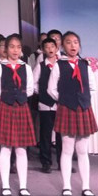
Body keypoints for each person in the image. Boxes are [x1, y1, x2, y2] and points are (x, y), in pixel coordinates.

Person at [48, 31, 98, 196]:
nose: (73, 45)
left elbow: (92, 87)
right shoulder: (59, 65)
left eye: (76, 42)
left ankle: (86, 187)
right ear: (63, 46)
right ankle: (67, 187)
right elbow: (51, 89)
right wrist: (64, 100)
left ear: (79, 45)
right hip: (67, 109)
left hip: (83, 108)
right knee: (67, 150)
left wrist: (83, 100)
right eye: (68, 42)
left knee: (83, 150)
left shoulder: (85, 65)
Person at [0, 33, 36, 196]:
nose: (15, 50)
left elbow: (30, 89)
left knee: (21, 149)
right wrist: (8, 100)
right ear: (5, 49)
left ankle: (23, 186)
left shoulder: (26, 67)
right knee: (5, 148)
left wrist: (19, 98)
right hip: (6, 108)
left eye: (18, 47)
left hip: (22, 107)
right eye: (11, 47)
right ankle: (5, 186)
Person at [33, 37, 61, 174]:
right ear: (43, 50)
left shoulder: (62, 64)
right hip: (45, 104)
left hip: (61, 105)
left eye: (52, 46)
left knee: (61, 135)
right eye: (47, 47)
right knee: (45, 134)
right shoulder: (40, 66)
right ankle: (46, 162)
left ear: (57, 48)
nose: (50, 49)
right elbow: (33, 83)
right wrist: (42, 94)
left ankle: (62, 162)